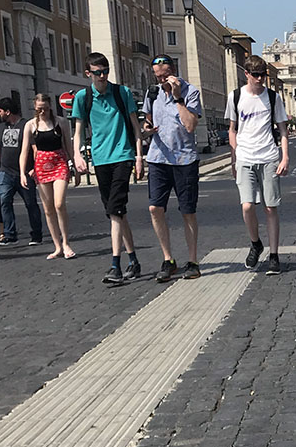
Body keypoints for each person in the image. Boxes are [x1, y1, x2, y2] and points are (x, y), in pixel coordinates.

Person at [73, 52, 145, 284]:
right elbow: (78, 131)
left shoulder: (122, 93)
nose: (103, 76)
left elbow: (135, 126)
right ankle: (134, 260)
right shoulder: (83, 98)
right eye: (98, 73)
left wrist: (139, 157)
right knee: (117, 213)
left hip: (122, 156)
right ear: (88, 74)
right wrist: (78, 155)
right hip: (100, 159)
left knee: (115, 210)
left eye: (105, 72)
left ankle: (116, 265)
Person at [142, 55, 202, 281]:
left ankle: (193, 261)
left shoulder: (191, 92)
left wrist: (178, 98)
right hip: (158, 158)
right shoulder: (153, 93)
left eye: (165, 75)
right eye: (158, 77)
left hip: (184, 160)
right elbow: (146, 121)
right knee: (154, 208)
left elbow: (190, 125)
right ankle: (168, 259)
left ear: (174, 71)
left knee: (188, 211)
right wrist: (147, 129)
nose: (162, 80)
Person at [229, 54, 290, 276]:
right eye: (256, 75)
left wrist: (284, 157)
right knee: (247, 206)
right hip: (245, 156)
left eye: (263, 75)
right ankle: (256, 243)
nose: (260, 79)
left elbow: (283, 130)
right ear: (246, 74)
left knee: (270, 207)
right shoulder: (235, 96)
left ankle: (274, 255)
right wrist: (234, 157)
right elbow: (232, 129)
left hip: (268, 156)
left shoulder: (273, 97)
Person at [20, 93, 77, 260]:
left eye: (44, 108)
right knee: (48, 208)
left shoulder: (61, 122)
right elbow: (24, 151)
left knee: (59, 204)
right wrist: (23, 172)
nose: (42, 112)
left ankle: (66, 242)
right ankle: (57, 246)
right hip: (41, 165)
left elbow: (68, 145)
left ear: (50, 106)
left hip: (59, 162)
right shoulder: (31, 125)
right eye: (39, 109)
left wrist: (76, 166)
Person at [0, 98, 42, 246]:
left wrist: (35, 167)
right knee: (4, 201)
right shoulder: (0, 128)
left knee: (30, 203)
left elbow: (35, 148)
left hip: (25, 171)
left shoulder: (26, 125)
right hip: (5, 171)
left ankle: (36, 234)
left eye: (0, 111)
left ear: (8, 111)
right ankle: (9, 234)